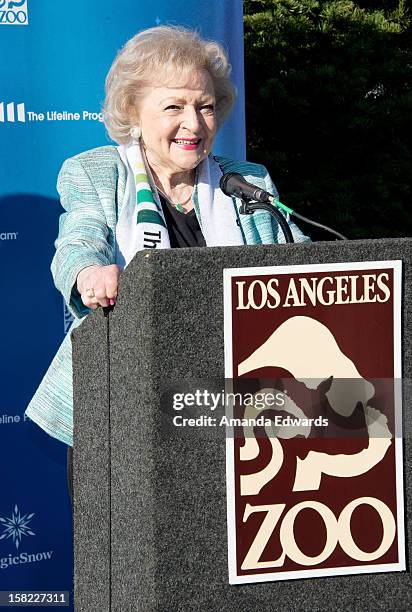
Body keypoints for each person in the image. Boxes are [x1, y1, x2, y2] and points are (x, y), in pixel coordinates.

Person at [25, 26, 309, 495]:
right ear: (133, 113)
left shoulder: (247, 181)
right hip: (124, 405)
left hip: (235, 406)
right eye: (173, 107)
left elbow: (297, 260)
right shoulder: (96, 172)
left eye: (205, 106)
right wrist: (89, 273)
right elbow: (76, 244)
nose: (194, 124)